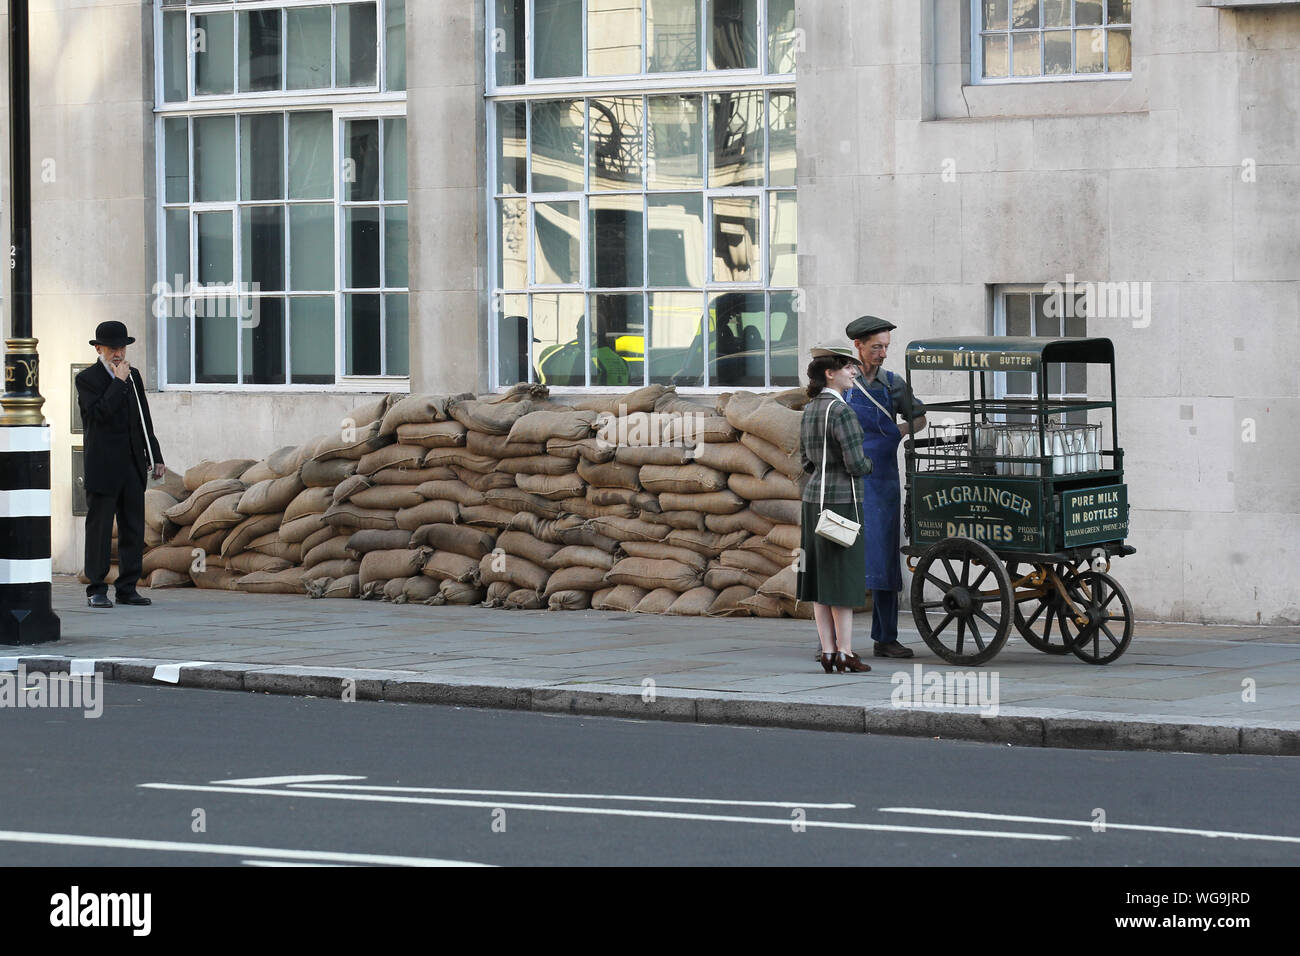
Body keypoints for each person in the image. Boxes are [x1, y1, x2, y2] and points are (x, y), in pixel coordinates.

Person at [843, 315, 928, 658]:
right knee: (843, 558)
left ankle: (886, 637)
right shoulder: (841, 380)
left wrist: (900, 432)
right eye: (876, 347)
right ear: (858, 346)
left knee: (884, 559)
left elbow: (920, 418)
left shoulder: (893, 384)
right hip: (845, 481)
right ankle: (835, 641)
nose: (881, 353)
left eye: (885, 347)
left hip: (883, 482)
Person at [76, 321, 166, 609]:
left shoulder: (133, 375)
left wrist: (155, 455)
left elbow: (143, 419)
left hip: (131, 463)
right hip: (103, 465)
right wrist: (117, 382)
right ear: (99, 348)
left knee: (132, 528)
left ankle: (127, 587)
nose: (118, 353)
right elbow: (97, 416)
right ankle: (96, 588)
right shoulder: (87, 379)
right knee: (100, 528)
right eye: (112, 348)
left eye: (122, 348)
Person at [797, 346, 874, 674]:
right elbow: (857, 463)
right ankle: (845, 651)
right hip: (842, 502)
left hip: (813, 500)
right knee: (841, 579)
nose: (854, 372)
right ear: (831, 373)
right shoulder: (842, 412)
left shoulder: (810, 409)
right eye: (848, 368)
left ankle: (828, 652)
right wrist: (870, 464)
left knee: (818, 579)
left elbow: (804, 460)